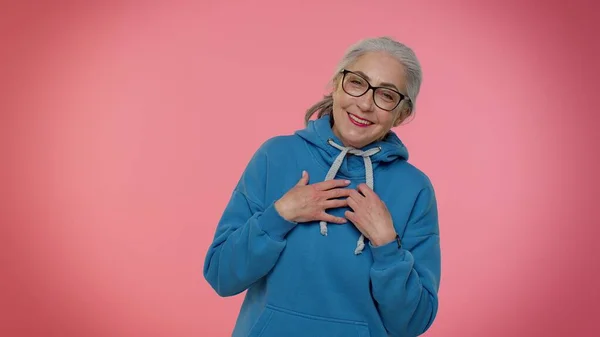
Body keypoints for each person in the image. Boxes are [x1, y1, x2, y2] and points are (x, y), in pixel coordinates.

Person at [203, 36, 441, 337]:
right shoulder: (275, 156)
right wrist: (279, 215)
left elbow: (412, 324)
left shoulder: (415, 188)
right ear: (336, 85)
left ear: (402, 113)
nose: (365, 104)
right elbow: (222, 275)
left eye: (387, 95)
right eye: (357, 83)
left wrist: (386, 245)